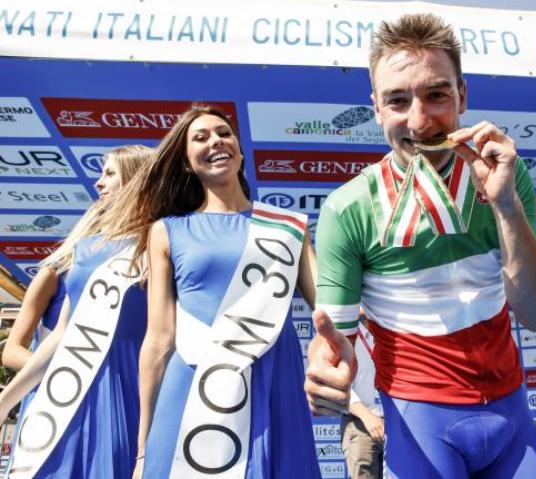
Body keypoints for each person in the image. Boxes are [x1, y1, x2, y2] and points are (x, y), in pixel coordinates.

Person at [305, 13, 536, 478]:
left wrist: (504, 206)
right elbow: (332, 343)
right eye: (398, 101)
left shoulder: (505, 173)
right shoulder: (348, 208)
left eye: (436, 94)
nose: (420, 121)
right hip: (421, 426)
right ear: (376, 109)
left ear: (463, 94)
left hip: (512, 416)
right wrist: (326, 372)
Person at [100, 105, 320, 478]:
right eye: (200, 138)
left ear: (239, 148)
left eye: (223, 133)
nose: (215, 141)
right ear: (186, 163)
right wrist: (142, 449)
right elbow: (158, 339)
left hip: (272, 383)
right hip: (190, 386)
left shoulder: (287, 228)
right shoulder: (167, 230)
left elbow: (327, 309)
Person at [0, 145, 154, 478]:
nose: (98, 183)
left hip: (129, 394)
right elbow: (56, 338)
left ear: (137, 180)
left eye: (110, 173)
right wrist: (8, 399)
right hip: (62, 393)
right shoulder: (71, 263)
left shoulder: (163, 251)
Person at [341, 313, 384, 478]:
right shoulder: (344, 336)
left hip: (396, 425)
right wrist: (367, 417)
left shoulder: (396, 337)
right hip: (360, 424)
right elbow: (339, 386)